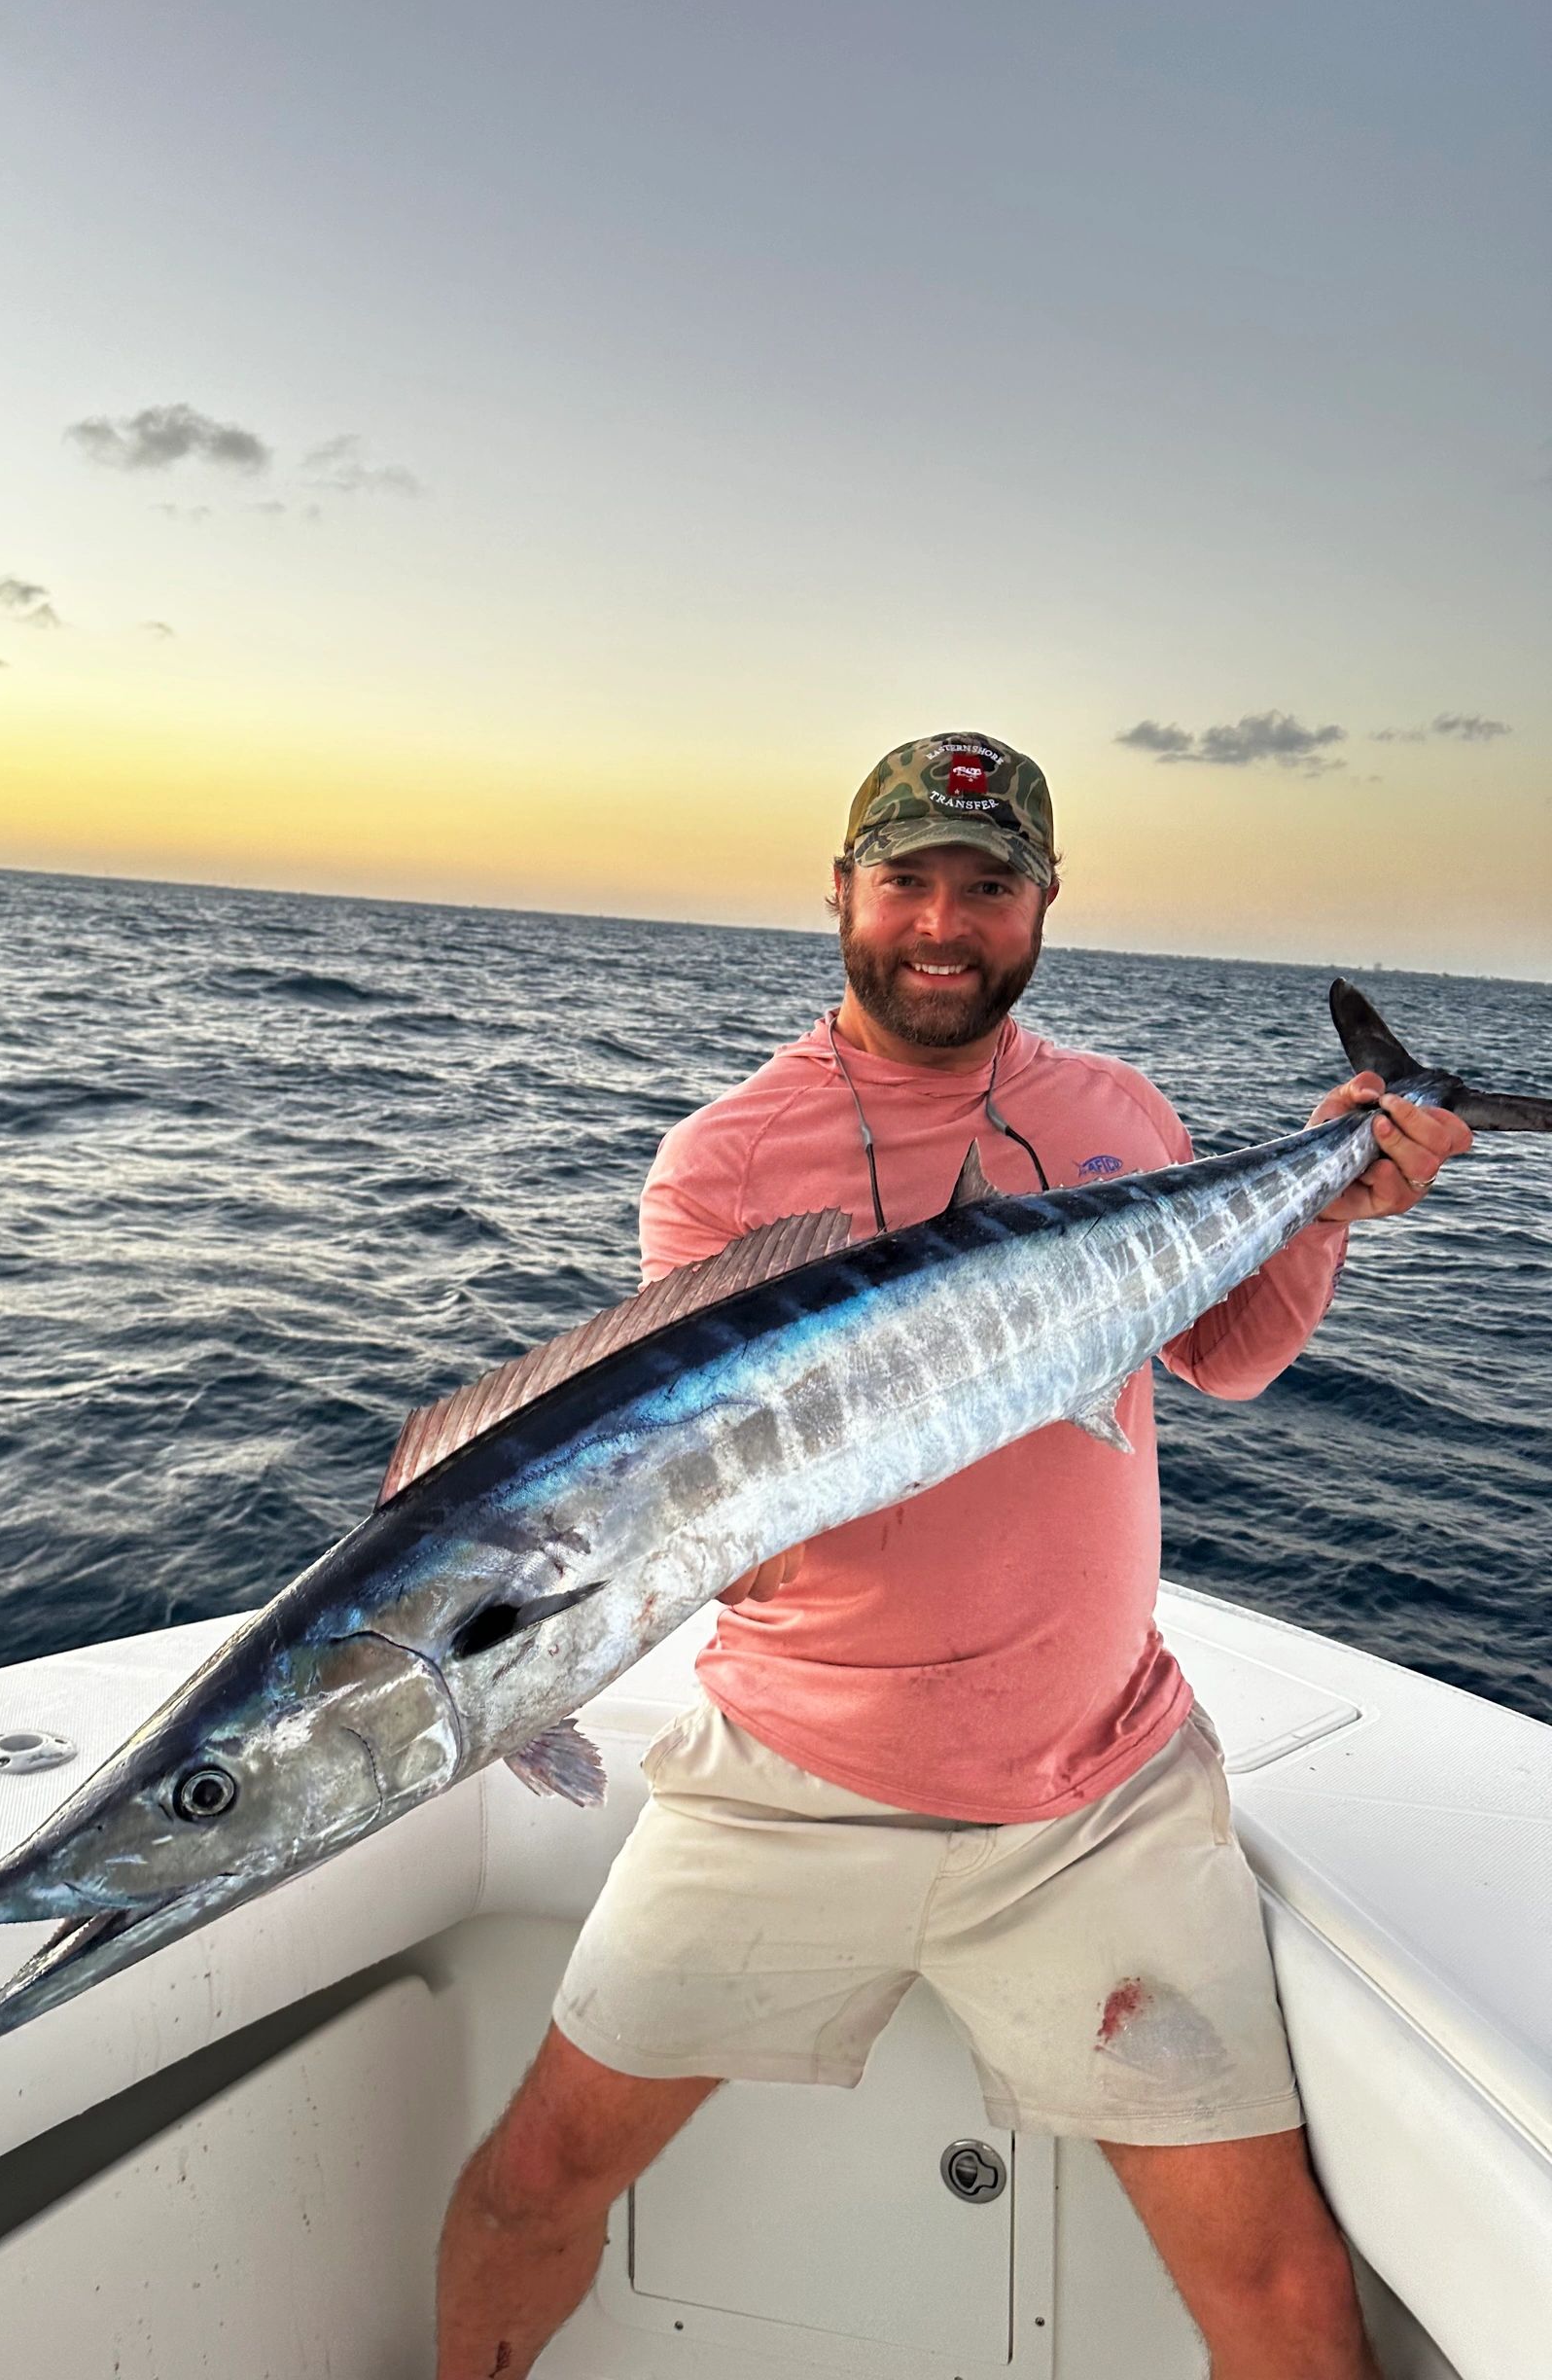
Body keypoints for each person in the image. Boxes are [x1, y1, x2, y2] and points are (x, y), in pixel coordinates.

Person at [435, 733, 1471, 2380]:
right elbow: (707, 1473)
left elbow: (1227, 1354)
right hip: (787, 1782)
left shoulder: (1117, 1107)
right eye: (904, 879)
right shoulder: (725, 1162)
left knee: (1281, 2293)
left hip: (1099, 1800)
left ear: (1043, 904)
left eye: (985, 887)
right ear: (839, 890)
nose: (941, 922)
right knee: (532, 2186)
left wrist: (1333, 1200)